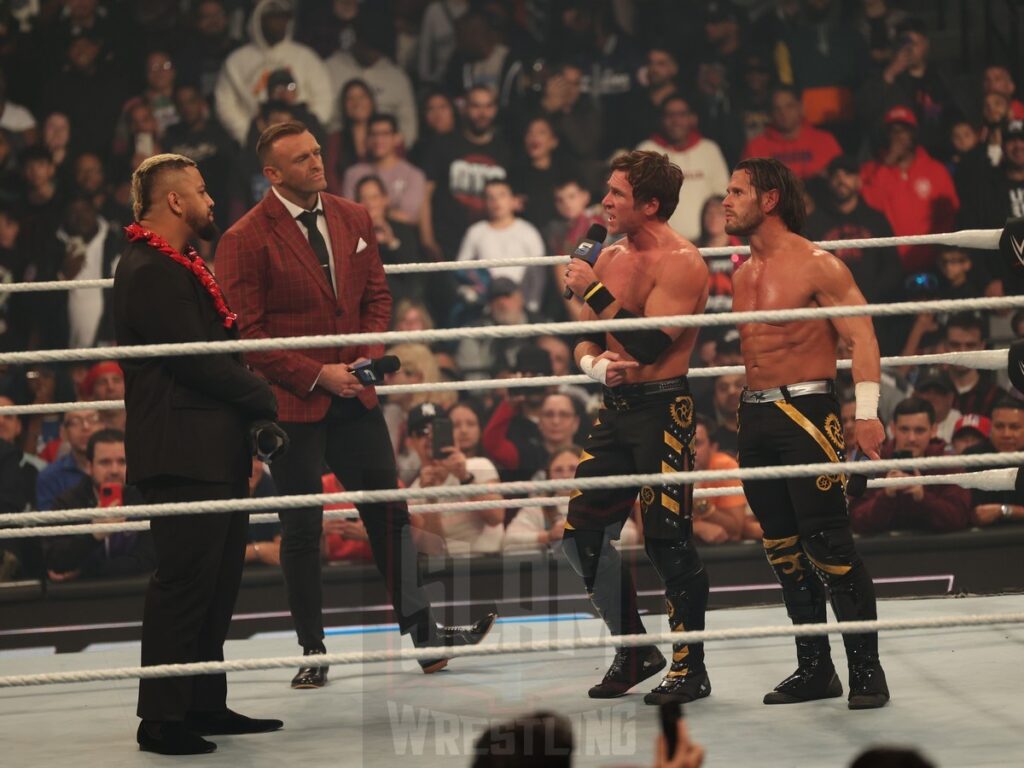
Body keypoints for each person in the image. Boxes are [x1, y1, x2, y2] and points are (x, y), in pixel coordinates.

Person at [215, 121, 496, 690]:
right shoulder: (245, 237)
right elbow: (249, 333)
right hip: (293, 402)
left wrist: (363, 364)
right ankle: (312, 650)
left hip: (356, 394)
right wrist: (320, 374)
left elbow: (377, 298)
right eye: (301, 159)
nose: (316, 164)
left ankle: (424, 635)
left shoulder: (353, 216)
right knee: (300, 528)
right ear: (273, 173)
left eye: (318, 152)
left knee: (388, 515)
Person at [113, 153, 285, 754]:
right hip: (180, 450)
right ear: (176, 201)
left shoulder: (179, 266)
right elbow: (195, 360)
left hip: (209, 448)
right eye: (203, 191)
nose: (213, 201)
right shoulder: (149, 270)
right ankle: (159, 719)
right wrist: (264, 392)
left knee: (216, 583)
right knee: (185, 582)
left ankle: (202, 703)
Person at [725, 157, 889, 709]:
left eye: (737, 191)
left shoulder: (819, 264)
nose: (725, 201)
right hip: (755, 416)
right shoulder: (740, 272)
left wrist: (866, 412)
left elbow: (861, 338)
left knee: (828, 543)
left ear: (768, 200)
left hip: (807, 414)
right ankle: (814, 669)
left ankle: (867, 671)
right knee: (782, 547)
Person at [561, 149, 711, 704]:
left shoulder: (685, 262)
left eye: (617, 195)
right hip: (617, 410)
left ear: (650, 204)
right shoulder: (609, 256)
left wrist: (593, 291)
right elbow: (586, 340)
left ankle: (689, 666)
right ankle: (634, 649)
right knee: (581, 536)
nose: (604, 202)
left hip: (663, 409)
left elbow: (651, 343)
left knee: (668, 542)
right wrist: (596, 367)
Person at [44, 429, 156, 582]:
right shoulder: (67, 503)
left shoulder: (144, 498)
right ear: (90, 467)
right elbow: (54, 560)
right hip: (84, 598)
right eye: (105, 462)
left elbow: (149, 559)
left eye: (122, 462)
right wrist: (93, 535)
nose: (114, 470)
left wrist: (85, 571)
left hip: (134, 592)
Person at [848, 397, 971, 535]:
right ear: (893, 429)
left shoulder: (948, 464)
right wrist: (885, 496)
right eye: (904, 430)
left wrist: (923, 498)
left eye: (919, 430)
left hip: (936, 551)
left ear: (933, 430)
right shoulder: (869, 461)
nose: (911, 438)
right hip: (881, 552)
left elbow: (959, 518)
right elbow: (855, 520)